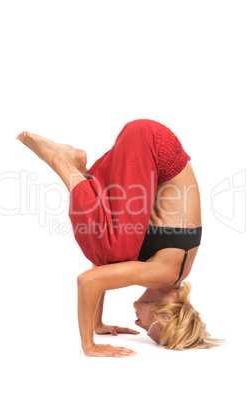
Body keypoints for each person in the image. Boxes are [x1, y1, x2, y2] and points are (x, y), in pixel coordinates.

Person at [16, 119, 223, 358]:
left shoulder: (167, 273)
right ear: (164, 315)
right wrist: (89, 345)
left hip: (151, 147)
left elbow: (101, 271)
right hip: (153, 147)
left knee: (110, 255)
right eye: (149, 329)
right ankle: (61, 161)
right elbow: (88, 281)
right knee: (113, 250)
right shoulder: (165, 274)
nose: (139, 326)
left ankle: (80, 172)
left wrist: (98, 323)